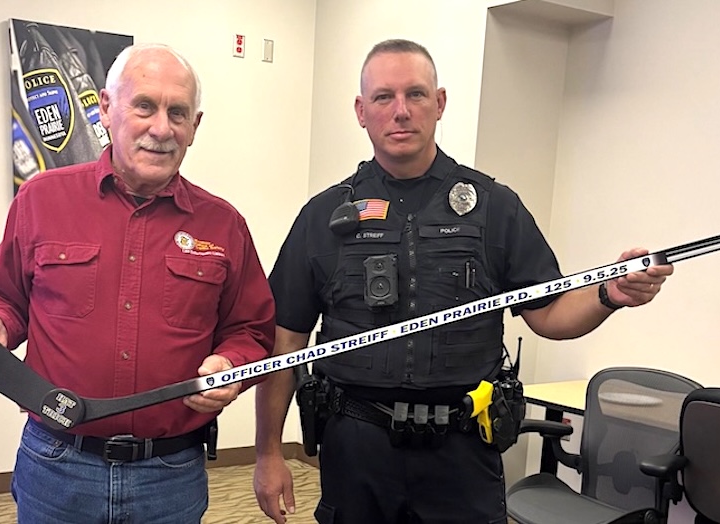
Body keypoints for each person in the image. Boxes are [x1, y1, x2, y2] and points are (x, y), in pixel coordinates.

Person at [253, 39, 673, 524]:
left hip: (461, 448)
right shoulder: (324, 216)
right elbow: (285, 342)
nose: (401, 112)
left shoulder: (495, 207)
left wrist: (609, 294)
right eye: (384, 97)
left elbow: (551, 314)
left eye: (416, 94)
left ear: (440, 103)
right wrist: (267, 452)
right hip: (356, 447)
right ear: (361, 110)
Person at [0, 43, 275, 524]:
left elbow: (252, 330)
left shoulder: (223, 225)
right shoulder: (42, 198)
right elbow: (5, 296)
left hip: (171, 472)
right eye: (144, 106)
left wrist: (231, 365)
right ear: (105, 109)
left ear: (194, 127)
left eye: (177, 113)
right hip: (57, 465)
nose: (161, 129)